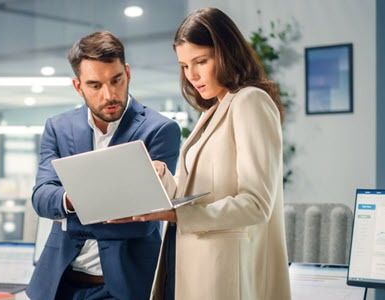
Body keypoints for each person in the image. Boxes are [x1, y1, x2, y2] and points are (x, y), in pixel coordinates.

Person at [117, 7, 291, 300]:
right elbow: (200, 191)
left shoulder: (250, 102)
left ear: (226, 52)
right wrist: (162, 178)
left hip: (221, 273)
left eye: (201, 61)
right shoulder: (212, 110)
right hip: (189, 263)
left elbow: (256, 204)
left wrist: (177, 214)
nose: (192, 75)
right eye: (185, 66)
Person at [26, 31, 181, 300]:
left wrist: (70, 218)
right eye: (95, 85)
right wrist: (75, 200)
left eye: (116, 80)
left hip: (125, 286)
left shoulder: (160, 130)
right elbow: (41, 198)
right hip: (60, 283)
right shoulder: (58, 128)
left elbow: (144, 219)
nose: (109, 95)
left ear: (128, 73)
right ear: (78, 86)